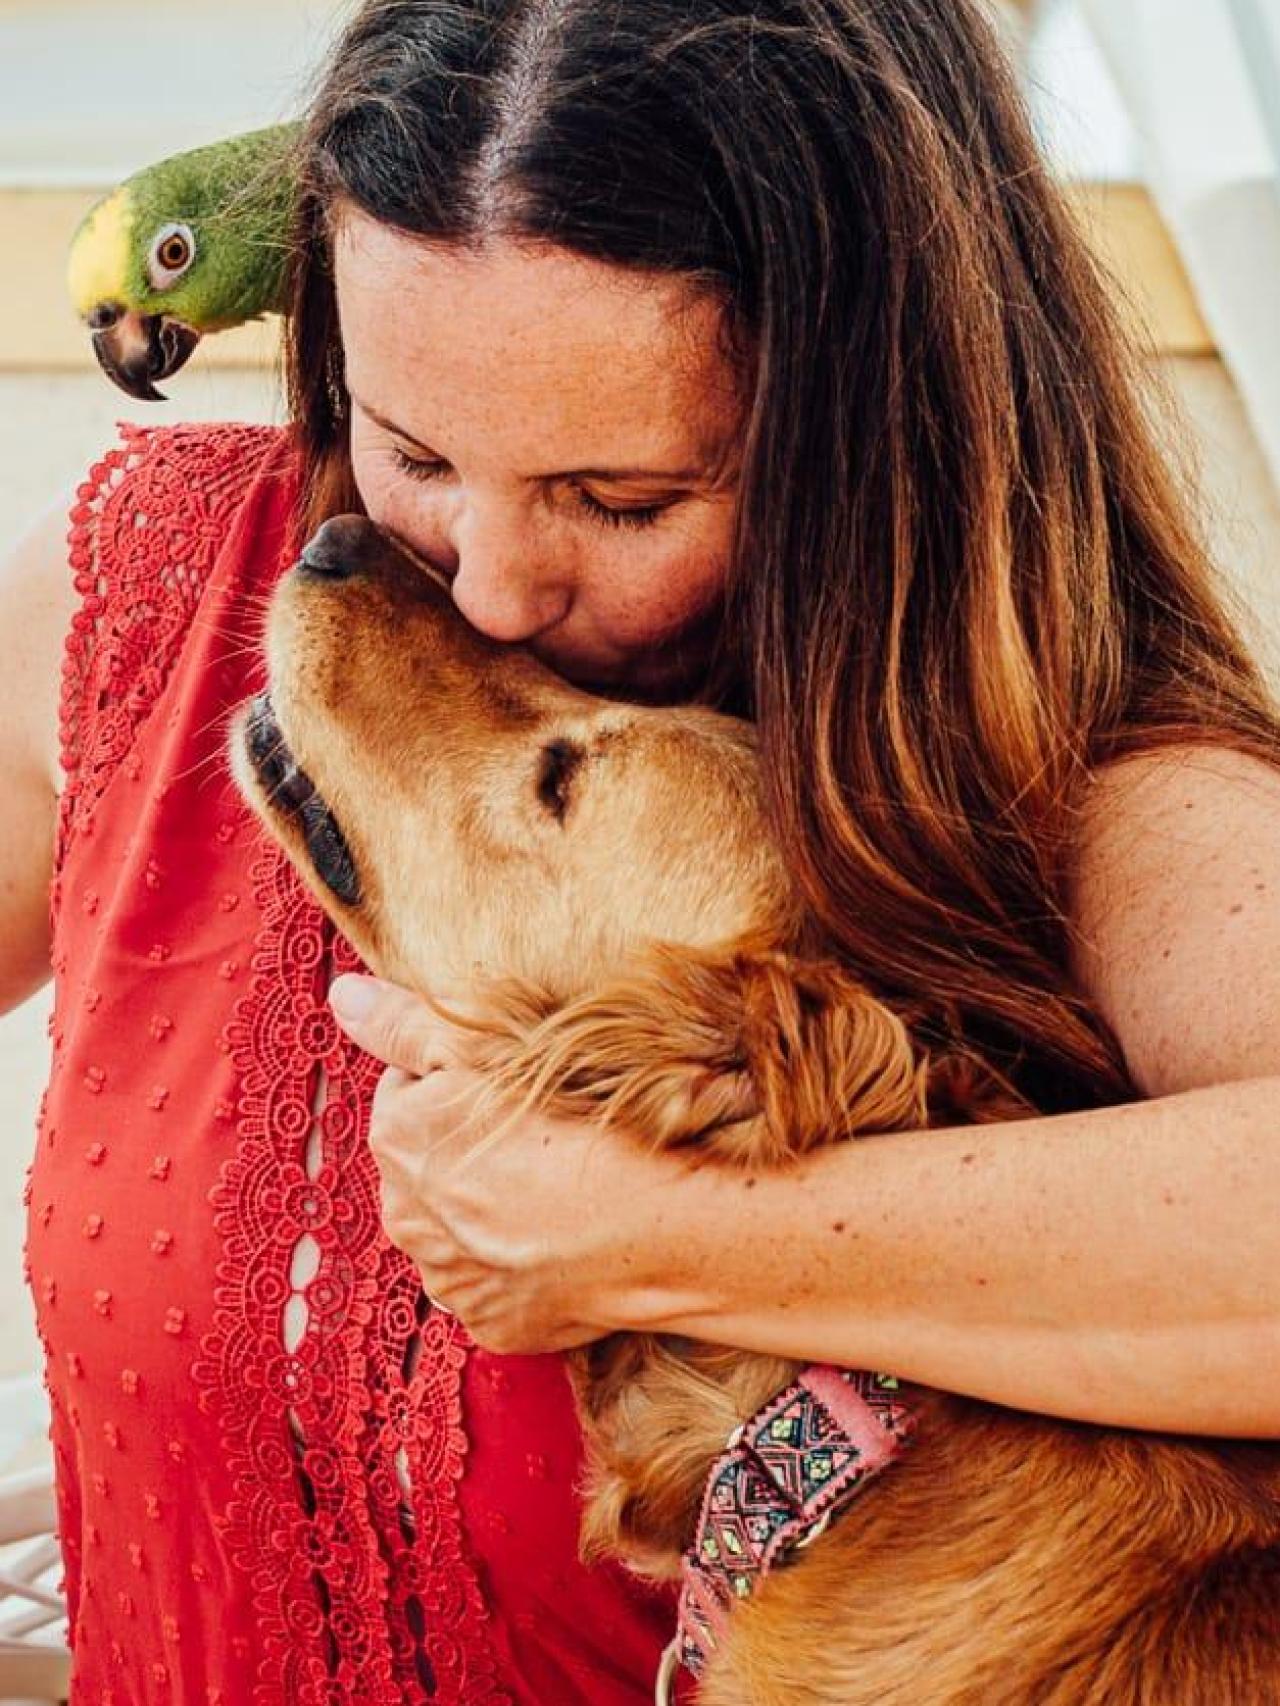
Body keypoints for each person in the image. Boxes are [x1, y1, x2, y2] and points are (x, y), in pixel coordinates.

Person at [4, 0, 1279, 1701]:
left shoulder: (1069, 780)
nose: (484, 590)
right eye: (413, 451)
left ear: (855, 435)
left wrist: (658, 1228)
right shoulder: (159, 585)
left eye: (620, 500)